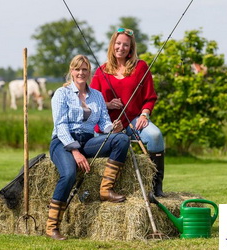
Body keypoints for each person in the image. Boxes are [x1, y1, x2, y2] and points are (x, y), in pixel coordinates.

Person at [46, 55, 130, 240]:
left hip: (87, 140)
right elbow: (60, 126)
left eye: (84, 69)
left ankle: (105, 189)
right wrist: (74, 151)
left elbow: (104, 123)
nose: (81, 73)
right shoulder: (62, 93)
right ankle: (52, 226)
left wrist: (113, 128)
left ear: (89, 72)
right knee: (68, 174)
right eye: (77, 69)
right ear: (71, 71)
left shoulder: (97, 96)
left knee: (121, 140)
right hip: (63, 142)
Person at [90, 27, 166, 197]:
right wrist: (108, 105)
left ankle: (155, 186)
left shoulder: (141, 67)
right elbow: (92, 102)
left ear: (131, 48)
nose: (121, 48)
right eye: (118, 43)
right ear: (112, 45)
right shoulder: (101, 71)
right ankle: (105, 188)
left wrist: (145, 114)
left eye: (126, 45)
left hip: (133, 120)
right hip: (107, 124)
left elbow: (150, 97)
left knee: (155, 136)